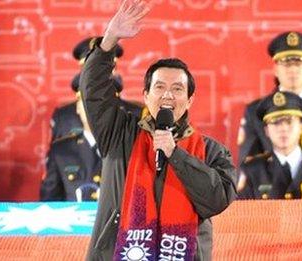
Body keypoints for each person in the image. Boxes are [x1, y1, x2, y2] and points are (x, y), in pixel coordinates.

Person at [79, 1, 237, 260]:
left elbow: (217, 199)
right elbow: (93, 92)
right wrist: (109, 39)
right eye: (159, 87)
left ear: (189, 100)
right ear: (145, 95)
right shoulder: (119, 134)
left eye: (177, 89)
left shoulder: (212, 151)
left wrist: (176, 154)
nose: (167, 95)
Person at [238, 31, 302, 164]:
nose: (293, 69)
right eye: (286, 63)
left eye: (299, 63)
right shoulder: (255, 111)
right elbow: (248, 165)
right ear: (275, 69)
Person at [50, 37, 143, 141]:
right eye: (91, 68)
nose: (98, 74)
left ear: (114, 69)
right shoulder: (64, 117)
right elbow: (59, 154)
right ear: (83, 71)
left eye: (105, 67)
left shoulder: (137, 115)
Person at [238, 91, 302, 199]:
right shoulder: (253, 171)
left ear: (301, 127)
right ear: (267, 131)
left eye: (289, 121)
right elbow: (239, 212)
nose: (283, 129)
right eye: (275, 122)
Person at [40, 76, 102, 201]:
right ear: (78, 108)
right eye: (86, 102)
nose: (93, 108)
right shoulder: (61, 151)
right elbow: (49, 201)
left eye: (99, 102)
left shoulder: (124, 148)